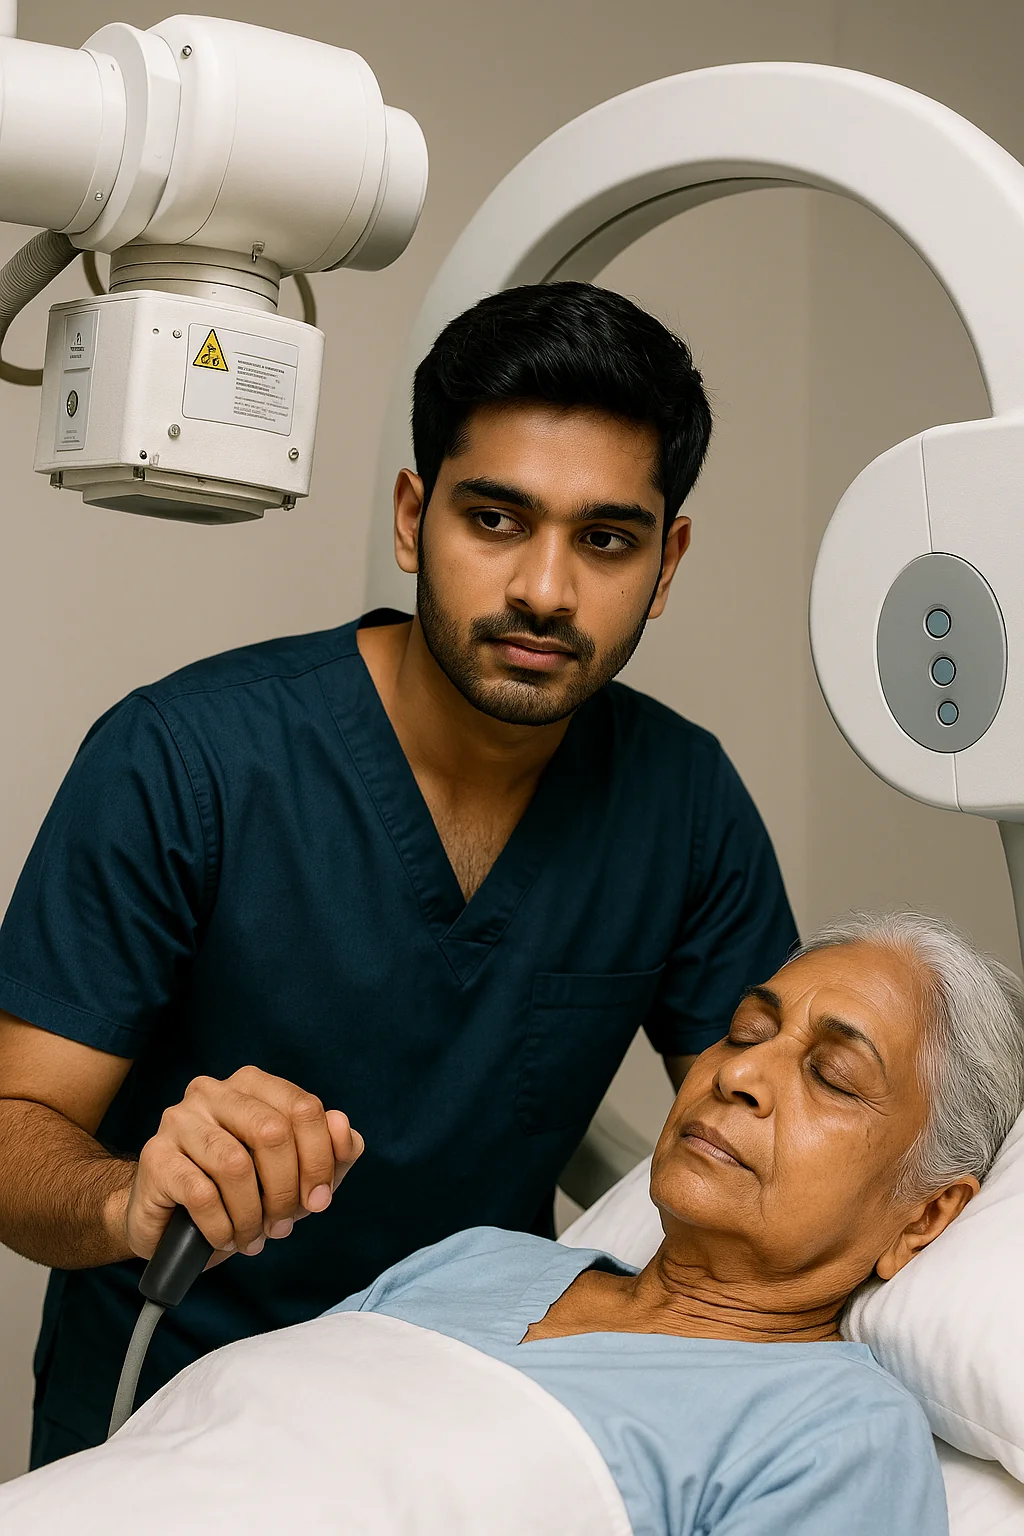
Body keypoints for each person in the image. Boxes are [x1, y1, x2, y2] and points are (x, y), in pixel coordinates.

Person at [0, 281, 797, 1465]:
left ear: (666, 562)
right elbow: (15, 1130)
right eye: (495, 519)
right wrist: (129, 1196)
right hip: (166, 1412)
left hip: (464, 1418)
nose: (543, 589)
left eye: (605, 539)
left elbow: (780, 1130)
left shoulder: (683, 807)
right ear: (412, 516)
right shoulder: (188, 760)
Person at [2, 911, 1019, 1534]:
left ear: (927, 1215)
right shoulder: (476, 1263)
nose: (740, 1073)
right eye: (744, 1031)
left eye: (830, 1074)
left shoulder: (831, 1432)